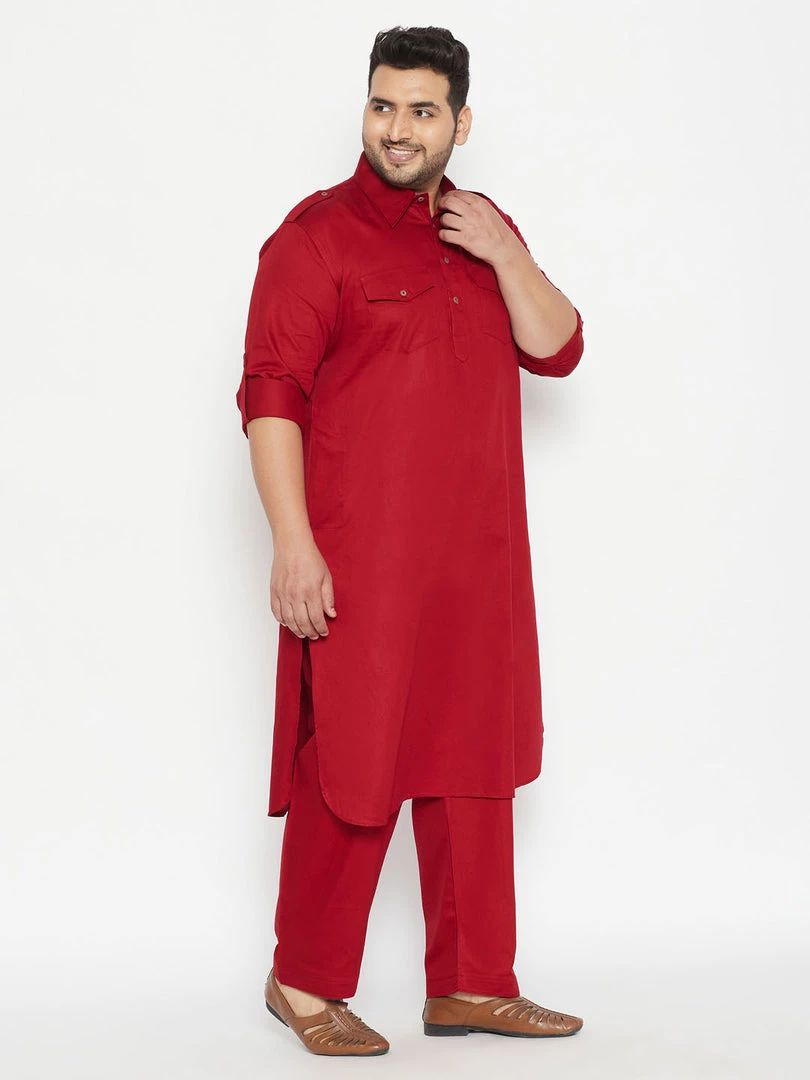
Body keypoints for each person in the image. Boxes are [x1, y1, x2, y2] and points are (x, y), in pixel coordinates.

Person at [237, 26, 585, 1058]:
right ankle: (303, 982)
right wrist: (292, 544)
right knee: (350, 762)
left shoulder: (486, 230)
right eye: (383, 105)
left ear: (459, 123)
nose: (398, 128)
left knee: (475, 762)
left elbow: (558, 347)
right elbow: (271, 399)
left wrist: (506, 251)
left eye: (422, 110)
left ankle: (473, 985)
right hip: (364, 564)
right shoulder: (314, 240)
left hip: (479, 563)